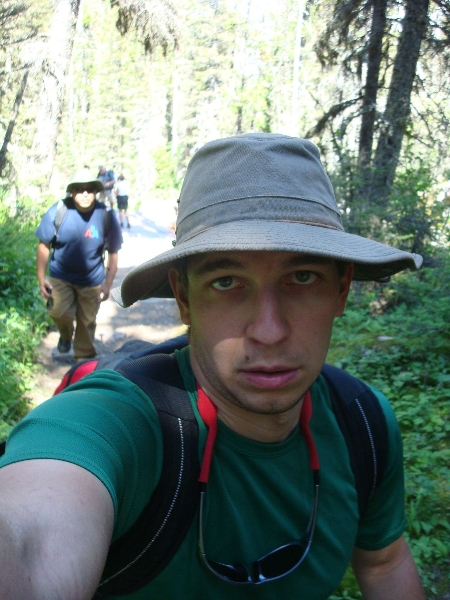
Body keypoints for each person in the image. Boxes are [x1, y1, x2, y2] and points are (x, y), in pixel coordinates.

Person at [0, 134, 425, 599]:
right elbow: (29, 542)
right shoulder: (121, 420)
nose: (269, 331)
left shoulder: (362, 422)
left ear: (341, 291)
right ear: (184, 298)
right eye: (226, 281)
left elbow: (384, 561)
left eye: (303, 277)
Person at [35, 168, 123, 360]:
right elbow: (44, 245)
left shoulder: (105, 215)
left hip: (92, 281)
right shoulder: (59, 211)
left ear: (96, 191)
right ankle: (66, 336)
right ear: (71, 191)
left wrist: (107, 284)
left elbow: (113, 253)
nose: (84, 193)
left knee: (87, 322)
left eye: (89, 189)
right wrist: (41, 278)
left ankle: (83, 362)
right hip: (60, 277)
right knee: (58, 312)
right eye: (79, 189)